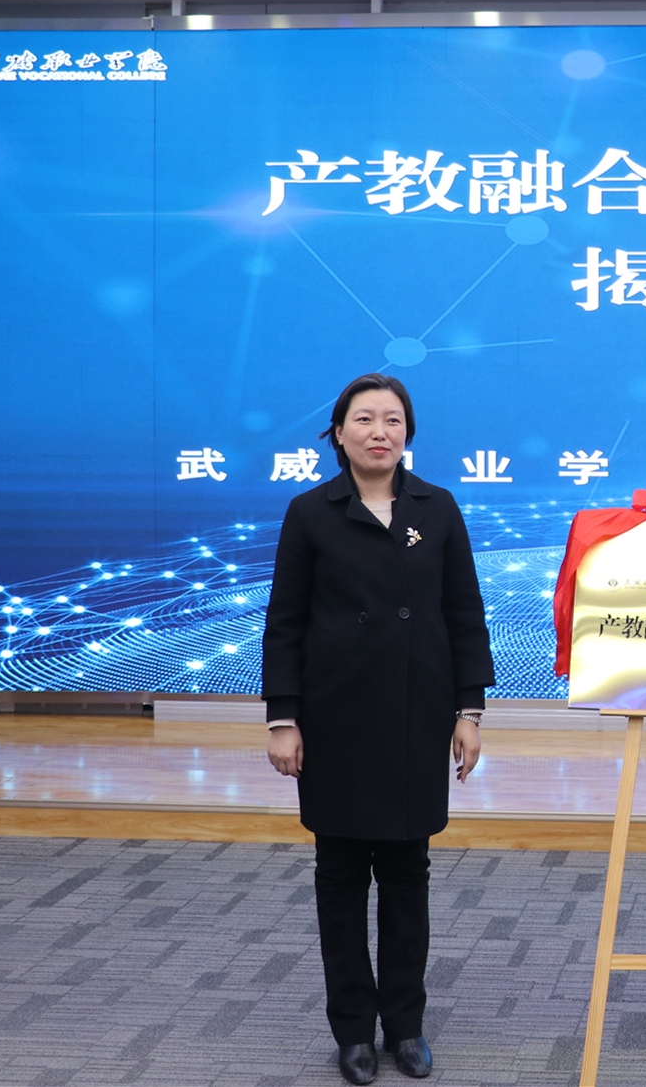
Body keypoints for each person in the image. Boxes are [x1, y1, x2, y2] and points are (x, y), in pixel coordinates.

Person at [262, 372, 495, 1085]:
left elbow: (464, 613)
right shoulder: (311, 512)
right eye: (364, 419)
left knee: (405, 878)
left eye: (392, 419)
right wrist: (283, 718)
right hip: (335, 720)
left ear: (407, 434)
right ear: (338, 433)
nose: (379, 431)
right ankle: (353, 1032)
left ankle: (407, 1025)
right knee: (339, 880)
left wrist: (469, 711)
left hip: (415, 718)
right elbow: (285, 622)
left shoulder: (437, 507)